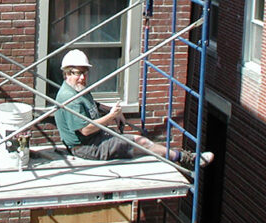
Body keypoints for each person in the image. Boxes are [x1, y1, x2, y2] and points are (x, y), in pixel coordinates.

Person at [53, 49, 214, 168]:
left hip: (95, 138)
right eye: (77, 73)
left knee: (140, 142)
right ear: (66, 74)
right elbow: (85, 130)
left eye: (85, 73)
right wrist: (110, 116)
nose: (82, 77)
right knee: (141, 142)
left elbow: (93, 105)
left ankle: (178, 156)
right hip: (86, 147)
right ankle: (187, 159)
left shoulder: (77, 89)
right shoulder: (69, 98)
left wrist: (114, 112)